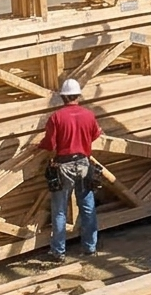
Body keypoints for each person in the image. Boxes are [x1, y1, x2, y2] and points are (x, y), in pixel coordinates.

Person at [40, 77, 104, 258]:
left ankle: (58, 251)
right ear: (78, 95)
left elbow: (49, 144)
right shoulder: (89, 115)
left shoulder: (56, 117)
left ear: (63, 97)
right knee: (87, 207)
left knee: (59, 210)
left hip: (64, 166)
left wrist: (35, 146)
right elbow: (96, 134)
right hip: (84, 163)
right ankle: (90, 247)